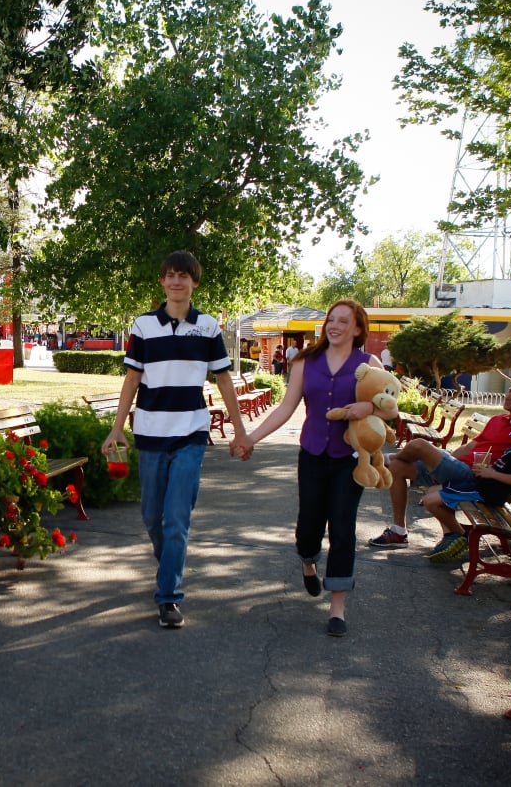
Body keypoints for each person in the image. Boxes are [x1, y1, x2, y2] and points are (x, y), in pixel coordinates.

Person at [101, 251, 248, 630]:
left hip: (191, 434)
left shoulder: (209, 328)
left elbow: (224, 379)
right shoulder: (144, 326)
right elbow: (132, 379)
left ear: (194, 282)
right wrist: (117, 428)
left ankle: (168, 597)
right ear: (162, 281)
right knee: (152, 517)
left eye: (184, 275)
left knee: (177, 520)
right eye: (170, 275)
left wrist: (239, 429)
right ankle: (168, 562)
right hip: (150, 433)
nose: (176, 281)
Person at [232, 300, 382, 638]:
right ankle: (308, 562)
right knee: (309, 525)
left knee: (343, 527)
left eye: (343, 321)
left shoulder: (368, 364)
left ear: (358, 329)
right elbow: (286, 408)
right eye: (332, 320)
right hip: (312, 454)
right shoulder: (305, 361)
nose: (335, 326)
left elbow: (390, 406)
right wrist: (251, 438)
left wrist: (370, 407)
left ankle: (337, 607)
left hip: (349, 457)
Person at [368, 378, 511, 551]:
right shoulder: (498, 420)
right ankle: (399, 532)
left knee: (419, 445)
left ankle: (384, 459)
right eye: (509, 391)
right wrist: (444, 463)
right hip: (457, 467)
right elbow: (471, 446)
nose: (508, 396)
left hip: (474, 476)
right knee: (397, 469)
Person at [415, 399, 511, 562]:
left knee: (430, 501)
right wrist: (488, 470)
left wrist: (491, 474)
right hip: (482, 485)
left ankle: (462, 536)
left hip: (488, 493)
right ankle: (452, 536)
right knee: (431, 491)